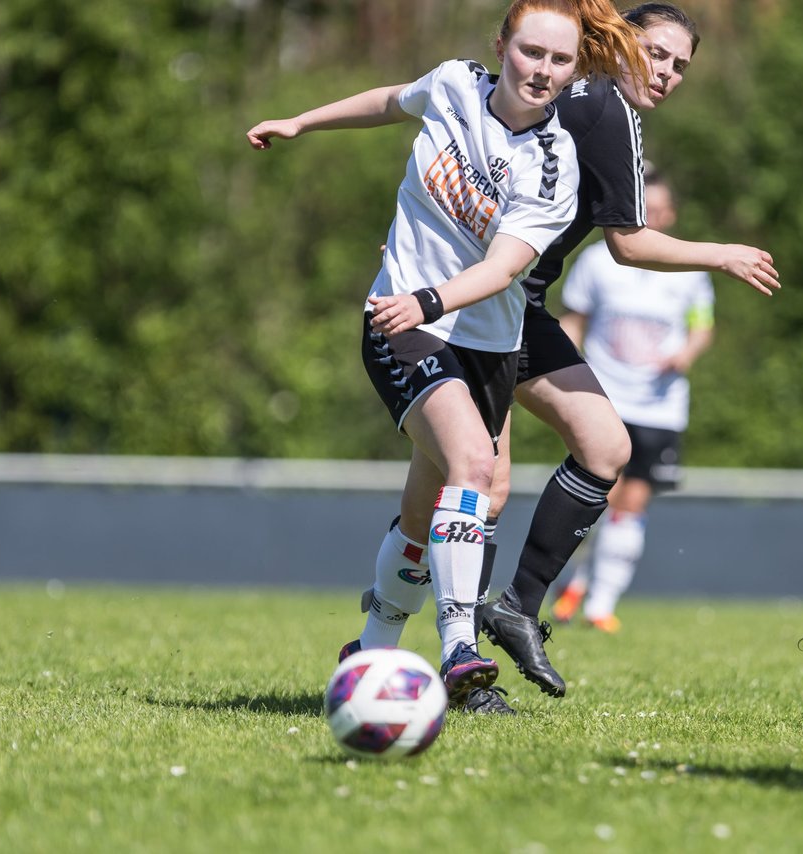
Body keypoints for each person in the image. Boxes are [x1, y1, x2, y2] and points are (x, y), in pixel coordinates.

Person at [247, 0, 649, 716]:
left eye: (559, 60)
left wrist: (435, 299)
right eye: (531, 52)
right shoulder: (455, 84)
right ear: (501, 46)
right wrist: (304, 120)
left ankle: (370, 649)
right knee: (474, 466)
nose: (542, 70)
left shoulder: (554, 170)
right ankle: (461, 647)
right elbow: (388, 100)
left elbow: (502, 270)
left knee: (423, 511)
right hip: (402, 321)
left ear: (572, 69)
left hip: (486, 344)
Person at [476, 2, 779, 702]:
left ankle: (512, 609)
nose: (669, 73)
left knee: (599, 450)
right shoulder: (602, 105)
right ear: (620, 42)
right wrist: (722, 254)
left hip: (515, 306)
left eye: (681, 66)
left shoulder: (581, 99)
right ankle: (438, 648)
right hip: (483, 308)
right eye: (659, 53)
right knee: (476, 486)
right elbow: (630, 242)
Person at [549, 168, 715, 633]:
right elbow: (573, 321)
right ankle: (574, 582)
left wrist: (687, 353)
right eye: (649, 208)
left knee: (632, 502)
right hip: (605, 396)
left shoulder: (689, 270)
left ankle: (598, 603)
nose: (655, 217)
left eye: (663, 210)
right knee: (596, 498)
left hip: (659, 404)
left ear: (672, 214)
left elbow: (702, 326)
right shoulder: (598, 261)